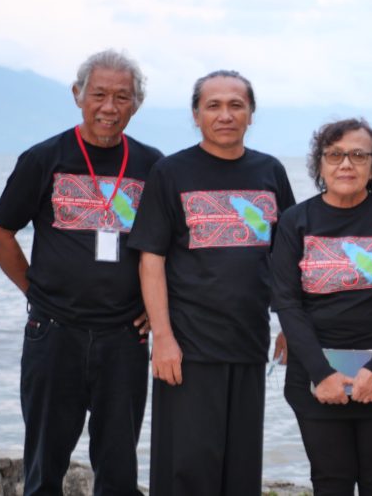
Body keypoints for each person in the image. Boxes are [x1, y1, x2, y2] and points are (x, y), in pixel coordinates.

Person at [0, 49, 163, 496]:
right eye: (99, 94)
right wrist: (36, 291)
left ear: (136, 104)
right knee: (45, 462)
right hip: (54, 332)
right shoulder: (44, 158)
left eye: (122, 97)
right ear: (77, 95)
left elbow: (168, 249)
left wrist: (154, 309)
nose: (109, 106)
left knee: (119, 467)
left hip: (124, 337)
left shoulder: (154, 166)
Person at [126, 70, 295, 495]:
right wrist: (162, 338)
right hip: (188, 348)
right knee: (186, 470)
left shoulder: (269, 171)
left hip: (248, 343)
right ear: (196, 114)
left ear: (251, 114)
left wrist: (290, 326)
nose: (225, 115)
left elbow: (287, 257)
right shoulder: (172, 172)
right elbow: (151, 259)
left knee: (239, 473)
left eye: (236, 105)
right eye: (213, 106)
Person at [271, 118, 372, 496]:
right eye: (335, 154)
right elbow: (288, 304)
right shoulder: (296, 221)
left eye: (358, 155)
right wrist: (321, 373)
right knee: (330, 481)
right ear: (319, 164)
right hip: (316, 373)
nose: (346, 164)